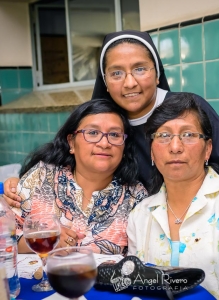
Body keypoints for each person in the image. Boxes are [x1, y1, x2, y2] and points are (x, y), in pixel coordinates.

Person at [6, 30, 219, 236]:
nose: (130, 83)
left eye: (140, 69)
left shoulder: (186, 109)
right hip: (145, 234)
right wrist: (21, 186)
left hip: (205, 225)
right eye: (117, 73)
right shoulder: (107, 123)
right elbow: (68, 165)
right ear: (105, 80)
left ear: (157, 71)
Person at [126, 93, 219, 299]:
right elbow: (135, 286)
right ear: (152, 153)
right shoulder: (140, 214)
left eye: (188, 135)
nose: (175, 147)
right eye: (163, 136)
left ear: (208, 149)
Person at [12, 99, 147, 255]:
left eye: (115, 134)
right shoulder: (41, 177)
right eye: (93, 133)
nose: (104, 143)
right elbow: (5, 237)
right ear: (71, 143)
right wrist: (44, 241)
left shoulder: (136, 198)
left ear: (124, 146)